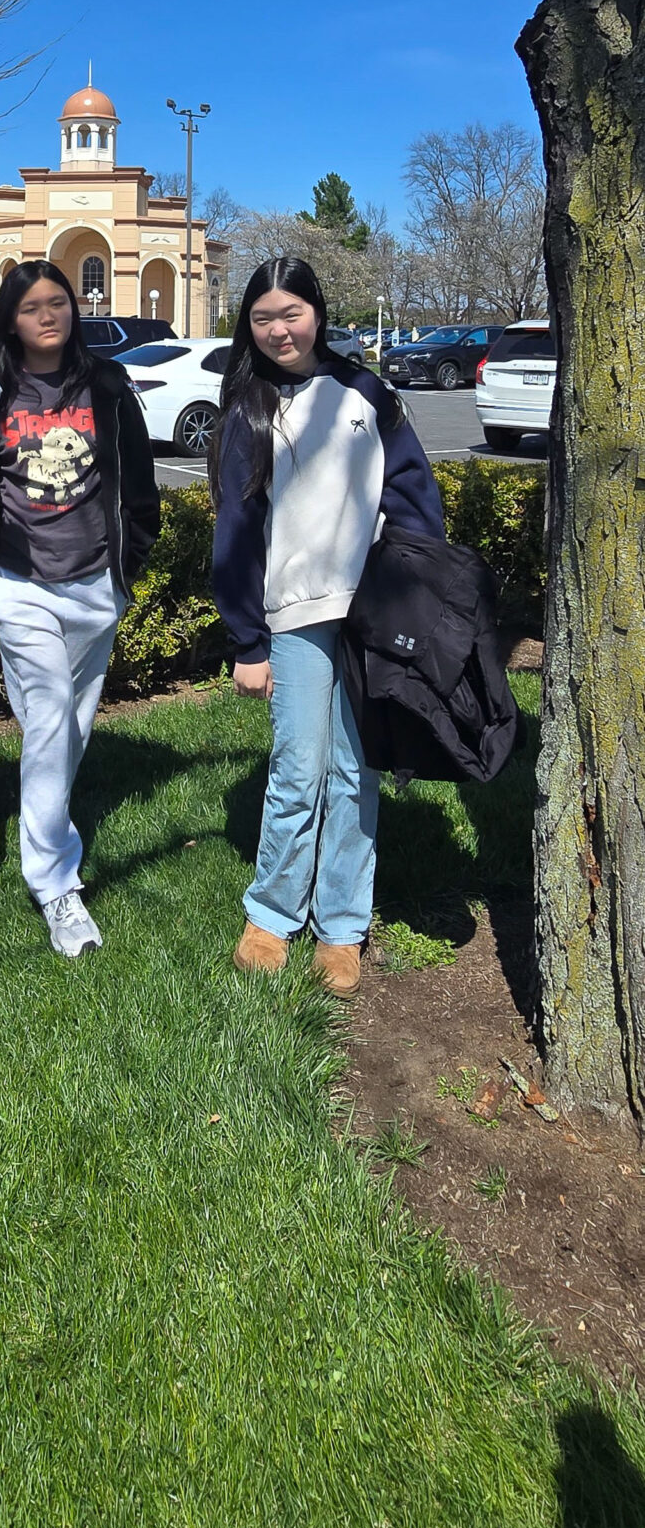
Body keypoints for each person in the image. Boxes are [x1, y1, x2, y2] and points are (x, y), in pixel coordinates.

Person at [211, 256, 443, 998]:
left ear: (317, 311)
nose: (279, 330)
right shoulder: (246, 408)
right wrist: (247, 642)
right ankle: (272, 915)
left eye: (292, 313)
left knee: (354, 770)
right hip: (292, 618)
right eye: (262, 318)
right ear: (247, 325)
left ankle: (341, 926)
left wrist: (408, 587)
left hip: (367, 615)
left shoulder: (367, 394)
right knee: (297, 769)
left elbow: (413, 496)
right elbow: (234, 533)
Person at [0, 260, 160, 959]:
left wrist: (127, 570)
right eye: (31, 307)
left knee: (68, 726)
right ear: (9, 320)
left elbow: (138, 481)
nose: (48, 316)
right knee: (48, 719)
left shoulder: (106, 384)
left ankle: (45, 825)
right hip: (20, 586)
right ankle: (54, 882)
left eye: (58, 302)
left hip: (95, 586)